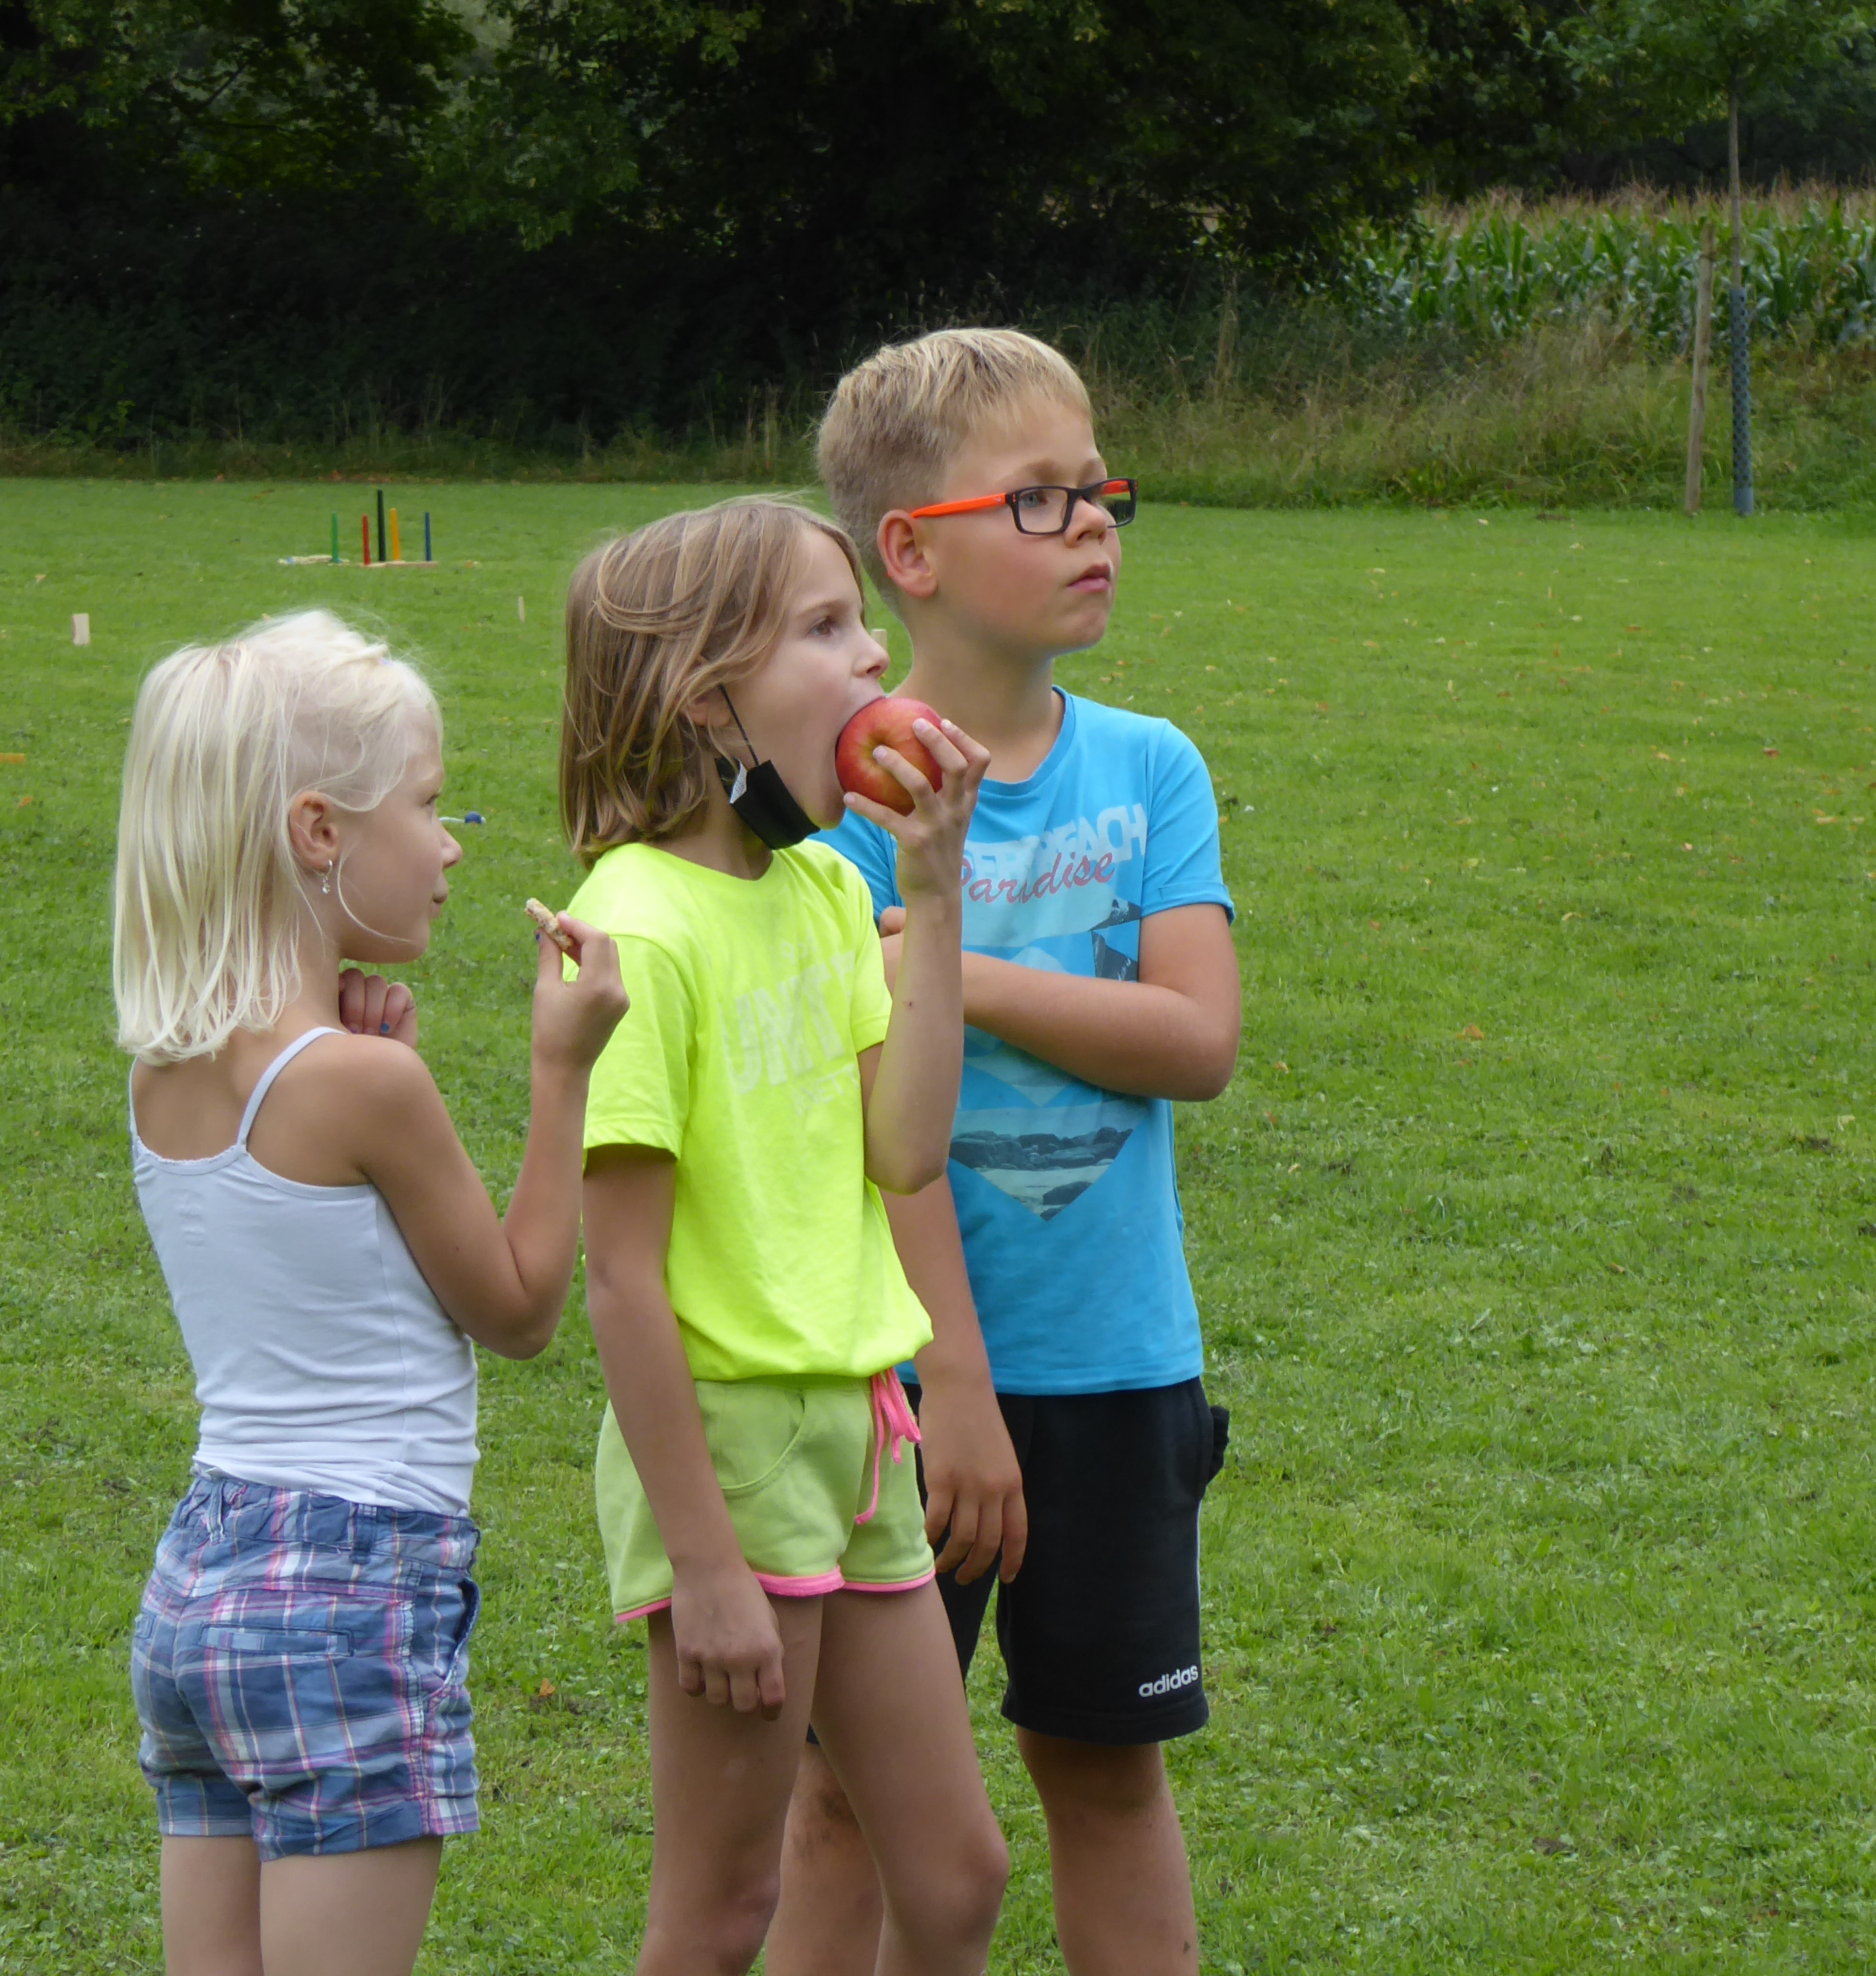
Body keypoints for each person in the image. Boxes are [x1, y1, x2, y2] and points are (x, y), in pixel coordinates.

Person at [772, 328, 1242, 1976]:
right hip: (898, 1388)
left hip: (1118, 1369)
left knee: (1103, 1772)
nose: (1094, 522)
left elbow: (1194, 1039)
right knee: (844, 1804)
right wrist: (953, 1390)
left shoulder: (1148, 766)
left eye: (1097, 489)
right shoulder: (832, 814)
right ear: (910, 552)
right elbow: (869, 1147)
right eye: (1038, 498)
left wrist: (948, 970)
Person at [111, 609, 627, 1976]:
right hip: (349, 1586)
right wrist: (563, 1069)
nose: (450, 844)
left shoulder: (164, 1071)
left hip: (202, 1577)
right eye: (429, 804)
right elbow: (519, 1309)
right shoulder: (366, 1084)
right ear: (319, 832)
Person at [559, 497, 1011, 1975]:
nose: (873, 653)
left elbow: (905, 1150)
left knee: (954, 1881)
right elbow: (622, 1283)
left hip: (860, 1428)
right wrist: (702, 1565)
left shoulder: (825, 886)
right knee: (718, 1914)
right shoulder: (638, 925)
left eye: (858, 620)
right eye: (823, 628)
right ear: (708, 701)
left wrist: (931, 891)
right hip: (733, 1453)